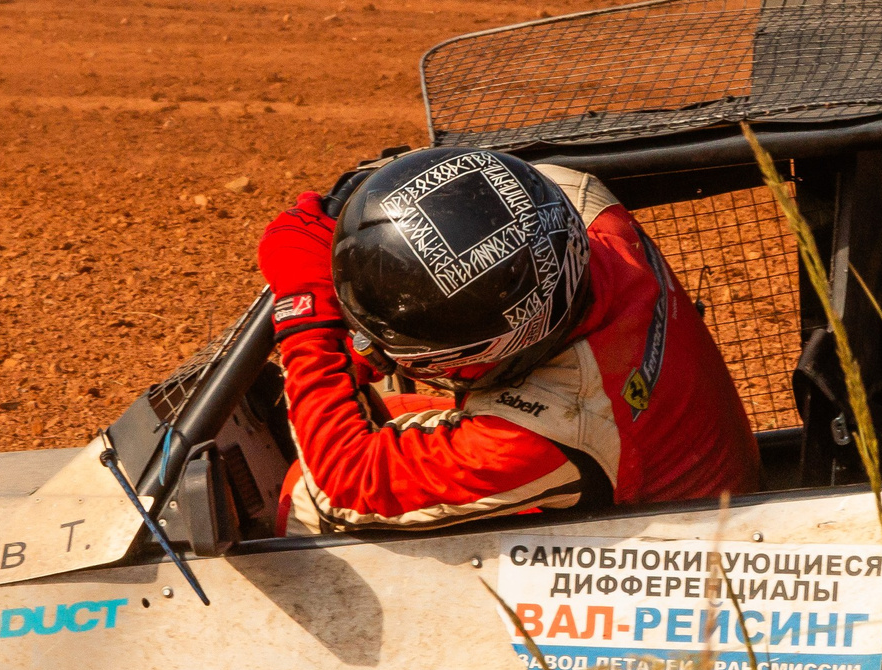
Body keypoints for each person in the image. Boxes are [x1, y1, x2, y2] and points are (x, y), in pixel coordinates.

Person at [255, 145, 762, 533]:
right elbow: (463, 179)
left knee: (305, 494)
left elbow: (345, 485)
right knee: (392, 408)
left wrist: (306, 309)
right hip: (699, 481)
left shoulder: (549, 427)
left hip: (669, 571)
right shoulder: (582, 206)